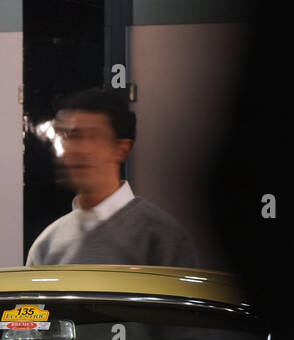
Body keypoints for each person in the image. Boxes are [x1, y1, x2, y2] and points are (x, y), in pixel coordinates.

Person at [26, 86, 199, 268]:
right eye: (72, 137)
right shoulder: (46, 246)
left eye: (93, 137)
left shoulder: (161, 237)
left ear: (121, 149)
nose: (80, 150)